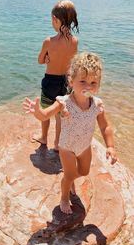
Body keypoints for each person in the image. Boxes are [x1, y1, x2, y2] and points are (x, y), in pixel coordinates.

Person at [24, 52, 117, 214]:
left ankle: (70, 180)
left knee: (84, 172)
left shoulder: (97, 105)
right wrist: (37, 111)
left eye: (93, 82)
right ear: (71, 81)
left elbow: (105, 127)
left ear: (99, 84)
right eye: (83, 81)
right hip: (67, 147)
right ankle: (64, 197)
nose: (88, 86)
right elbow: (46, 115)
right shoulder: (63, 102)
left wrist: (110, 146)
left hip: (84, 147)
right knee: (68, 175)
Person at [32, 0, 79, 151]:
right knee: (60, 114)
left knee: (45, 109)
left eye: (52, 19)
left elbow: (40, 60)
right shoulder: (74, 41)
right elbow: (72, 62)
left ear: (55, 19)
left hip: (50, 82)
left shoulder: (49, 41)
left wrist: (46, 58)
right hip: (65, 82)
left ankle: (44, 137)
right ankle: (58, 143)